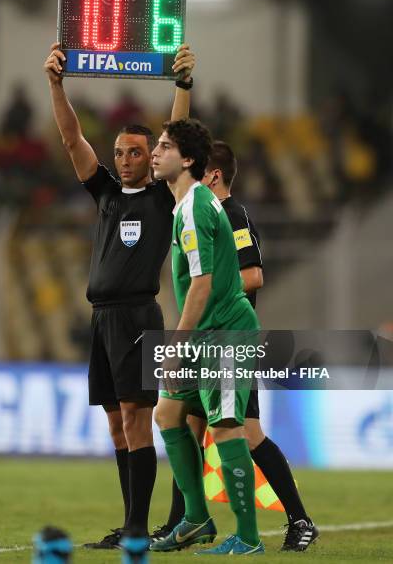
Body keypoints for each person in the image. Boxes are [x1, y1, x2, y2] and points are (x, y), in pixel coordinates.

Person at [43, 42, 195, 546]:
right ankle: (130, 522)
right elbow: (70, 140)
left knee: (136, 416)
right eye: (120, 153)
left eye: (136, 153)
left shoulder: (161, 197)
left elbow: (176, 137)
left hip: (137, 317)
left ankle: (136, 527)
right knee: (115, 423)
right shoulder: (105, 192)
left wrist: (183, 86)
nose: (126, 160)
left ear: (153, 159)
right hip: (102, 318)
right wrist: (56, 84)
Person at [155, 140, 319, 552]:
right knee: (178, 417)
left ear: (212, 175)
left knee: (246, 433)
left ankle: (298, 519)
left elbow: (254, 276)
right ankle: (187, 521)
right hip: (203, 335)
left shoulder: (231, 214)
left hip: (228, 338)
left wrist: (212, 285)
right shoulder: (194, 209)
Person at [150, 119, 264, 555]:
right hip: (205, 334)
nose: (156, 152)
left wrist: (176, 345)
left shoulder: (196, 207)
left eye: (165, 146)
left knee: (227, 428)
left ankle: (249, 539)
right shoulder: (185, 201)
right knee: (168, 414)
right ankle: (196, 519)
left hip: (225, 335)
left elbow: (201, 283)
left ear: (190, 160)